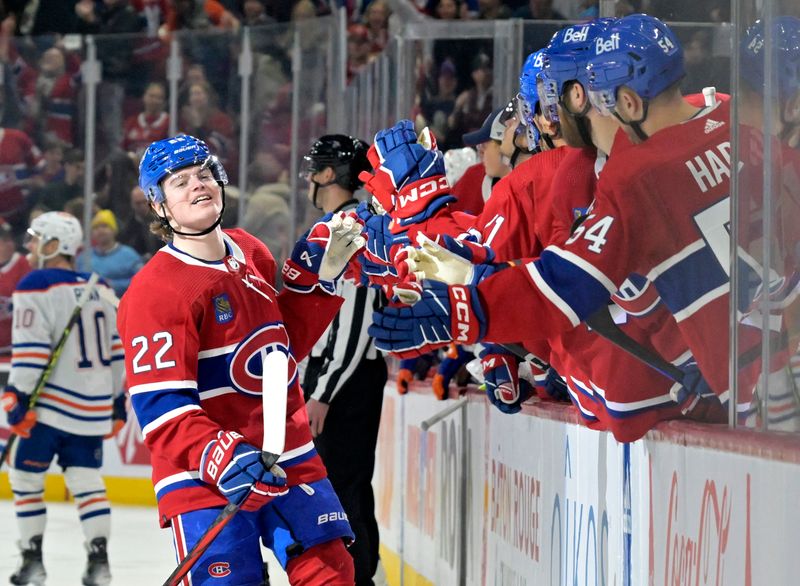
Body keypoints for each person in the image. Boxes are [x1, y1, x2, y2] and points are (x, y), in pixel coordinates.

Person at [368, 15, 763, 417]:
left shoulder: (615, 177)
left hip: (682, 395)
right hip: (761, 371)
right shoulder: (732, 120)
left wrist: (463, 301)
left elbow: (564, 286)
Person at [117, 134, 365, 585]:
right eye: (180, 182)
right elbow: (160, 407)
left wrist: (317, 287)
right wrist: (220, 454)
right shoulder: (155, 293)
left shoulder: (250, 250)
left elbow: (275, 351)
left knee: (332, 574)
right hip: (205, 474)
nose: (198, 186)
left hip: (288, 451)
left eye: (204, 174)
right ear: (159, 206)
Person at [1, 211, 126, 586]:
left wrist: (17, 396)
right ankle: (100, 564)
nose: (32, 246)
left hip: (47, 409)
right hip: (91, 409)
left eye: (38, 238)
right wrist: (117, 402)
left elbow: (33, 349)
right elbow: (119, 352)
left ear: (56, 244)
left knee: (24, 479)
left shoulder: (35, 283)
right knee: (88, 483)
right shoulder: (101, 286)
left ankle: (32, 562)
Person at [300, 134, 387, 586]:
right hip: (340, 373)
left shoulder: (350, 226)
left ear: (329, 174)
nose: (309, 178)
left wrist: (323, 391)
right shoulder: (344, 222)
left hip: (344, 378)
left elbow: (355, 317)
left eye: (315, 168)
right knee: (339, 483)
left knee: (342, 484)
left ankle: (357, 578)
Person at [77, 210, 144, 297]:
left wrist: (113, 285)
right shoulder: (83, 257)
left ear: (114, 230)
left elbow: (142, 280)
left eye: (105, 226)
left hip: (122, 306)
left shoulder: (129, 255)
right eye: (96, 227)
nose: (100, 230)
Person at [0, 219, 31, 356]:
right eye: (4, 239)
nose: (8, 243)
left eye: (9, 239)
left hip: (15, 347)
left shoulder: (23, 265)